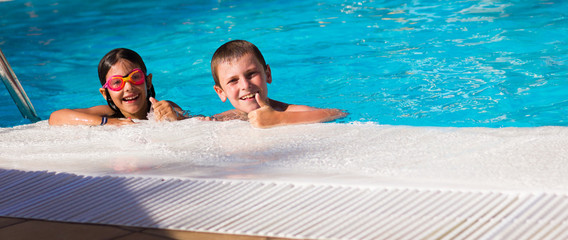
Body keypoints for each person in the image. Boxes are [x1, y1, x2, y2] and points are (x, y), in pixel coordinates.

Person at [208, 40, 347, 128]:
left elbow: (338, 113)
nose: (245, 85)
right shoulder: (225, 118)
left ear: (267, 74)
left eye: (251, 74)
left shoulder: (286, 111)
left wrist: (279, 118)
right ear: (221, 92)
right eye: (233, 80)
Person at [49, 48, 186, 126]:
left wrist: (175, 117)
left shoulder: (163, 107)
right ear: (105, 93)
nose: (128, 87)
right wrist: (108, 123)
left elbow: (189, 122)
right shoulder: (108, 113)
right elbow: (56, 117)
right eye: (116, 82)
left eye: (135, 77)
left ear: (148, 81)